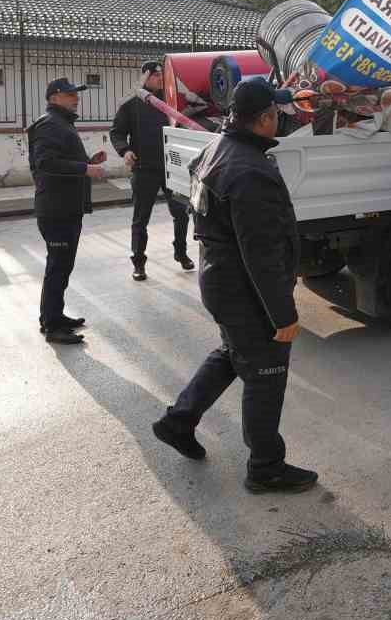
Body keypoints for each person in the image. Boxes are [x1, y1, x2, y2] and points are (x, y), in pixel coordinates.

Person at [152, 76, 318, 494]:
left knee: (233, 355)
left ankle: (178, 421)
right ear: (263, 119)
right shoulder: (249, 170)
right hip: (244, 290)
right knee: (265, 374)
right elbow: (259, 254)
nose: (281, 119)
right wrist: (282, 314)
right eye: (277, 114)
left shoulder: (218, 149)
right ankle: (266, 466)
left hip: (221, 280)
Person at [28, 78, 107, 345]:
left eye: (77, 93)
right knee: (58, 266)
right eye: (71, 94)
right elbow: (45, 162)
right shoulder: (50, 124)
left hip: (66, 207)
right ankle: (52, 326)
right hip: (56, 209)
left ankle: (53, 316)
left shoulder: (60, 123)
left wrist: (87, 162)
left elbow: (59, 159)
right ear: (54, 97)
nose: (76, 98)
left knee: (62, 265)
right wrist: (84, 169)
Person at [110, 60, 193, 282]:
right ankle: (138, 263)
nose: (160, 79)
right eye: (156, 75)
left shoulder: (171, 101)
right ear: (145, 77)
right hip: (144, 169)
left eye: (162, 75)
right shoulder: (131, 104)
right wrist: (125, 150)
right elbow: (117, 132)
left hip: (171, 167)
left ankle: (181, 252)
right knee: (140, 219)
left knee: (180, 214)